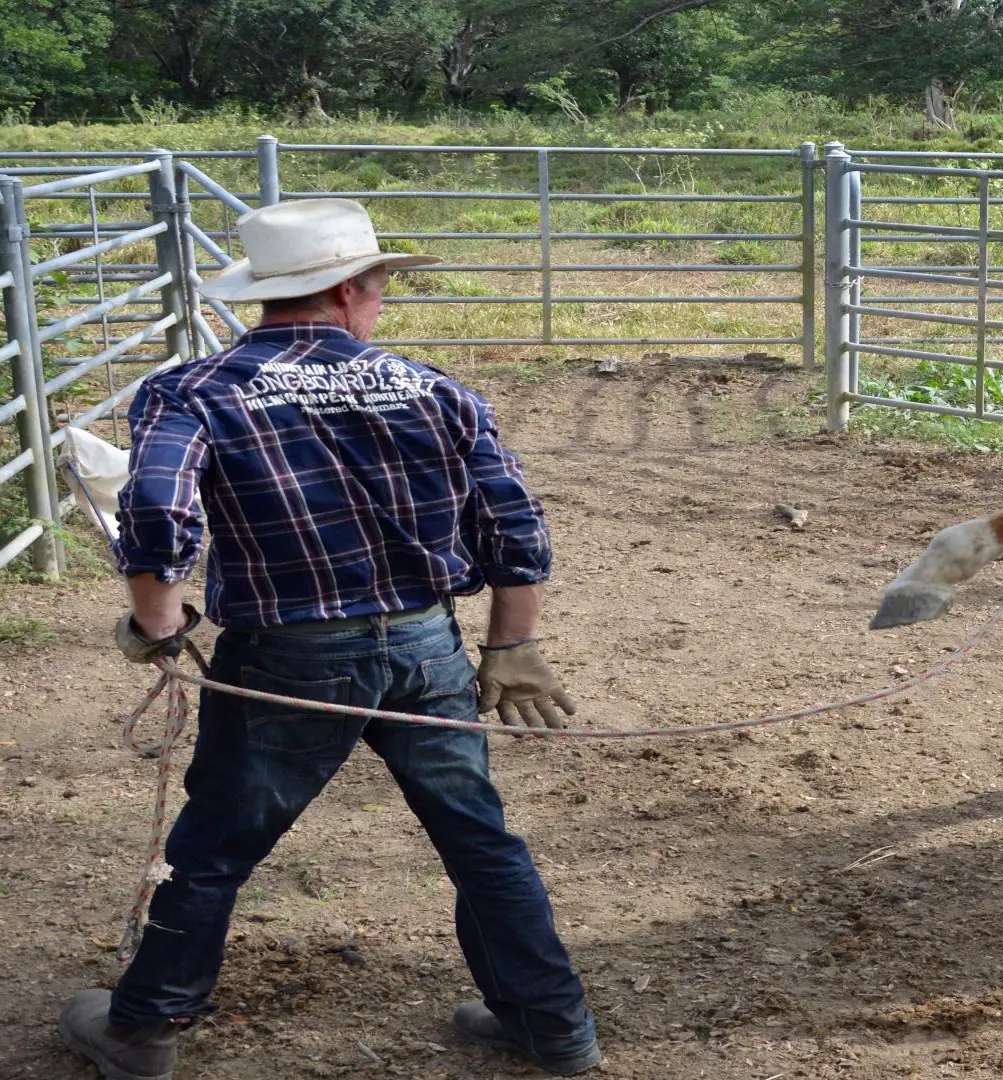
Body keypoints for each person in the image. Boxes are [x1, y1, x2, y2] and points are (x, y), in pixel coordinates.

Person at [58, 198, 601, 1080]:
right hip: (427, 646)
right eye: (381, 285)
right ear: (349, 289)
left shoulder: (195, 390)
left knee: (216, 845)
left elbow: (155, 507)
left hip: (289, 653)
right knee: (478, 838)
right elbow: (514, 524)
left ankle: (144, 1027)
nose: (382, 301)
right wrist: (511, 645)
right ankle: (552, 1023)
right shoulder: (437, 390)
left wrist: (158, 623)